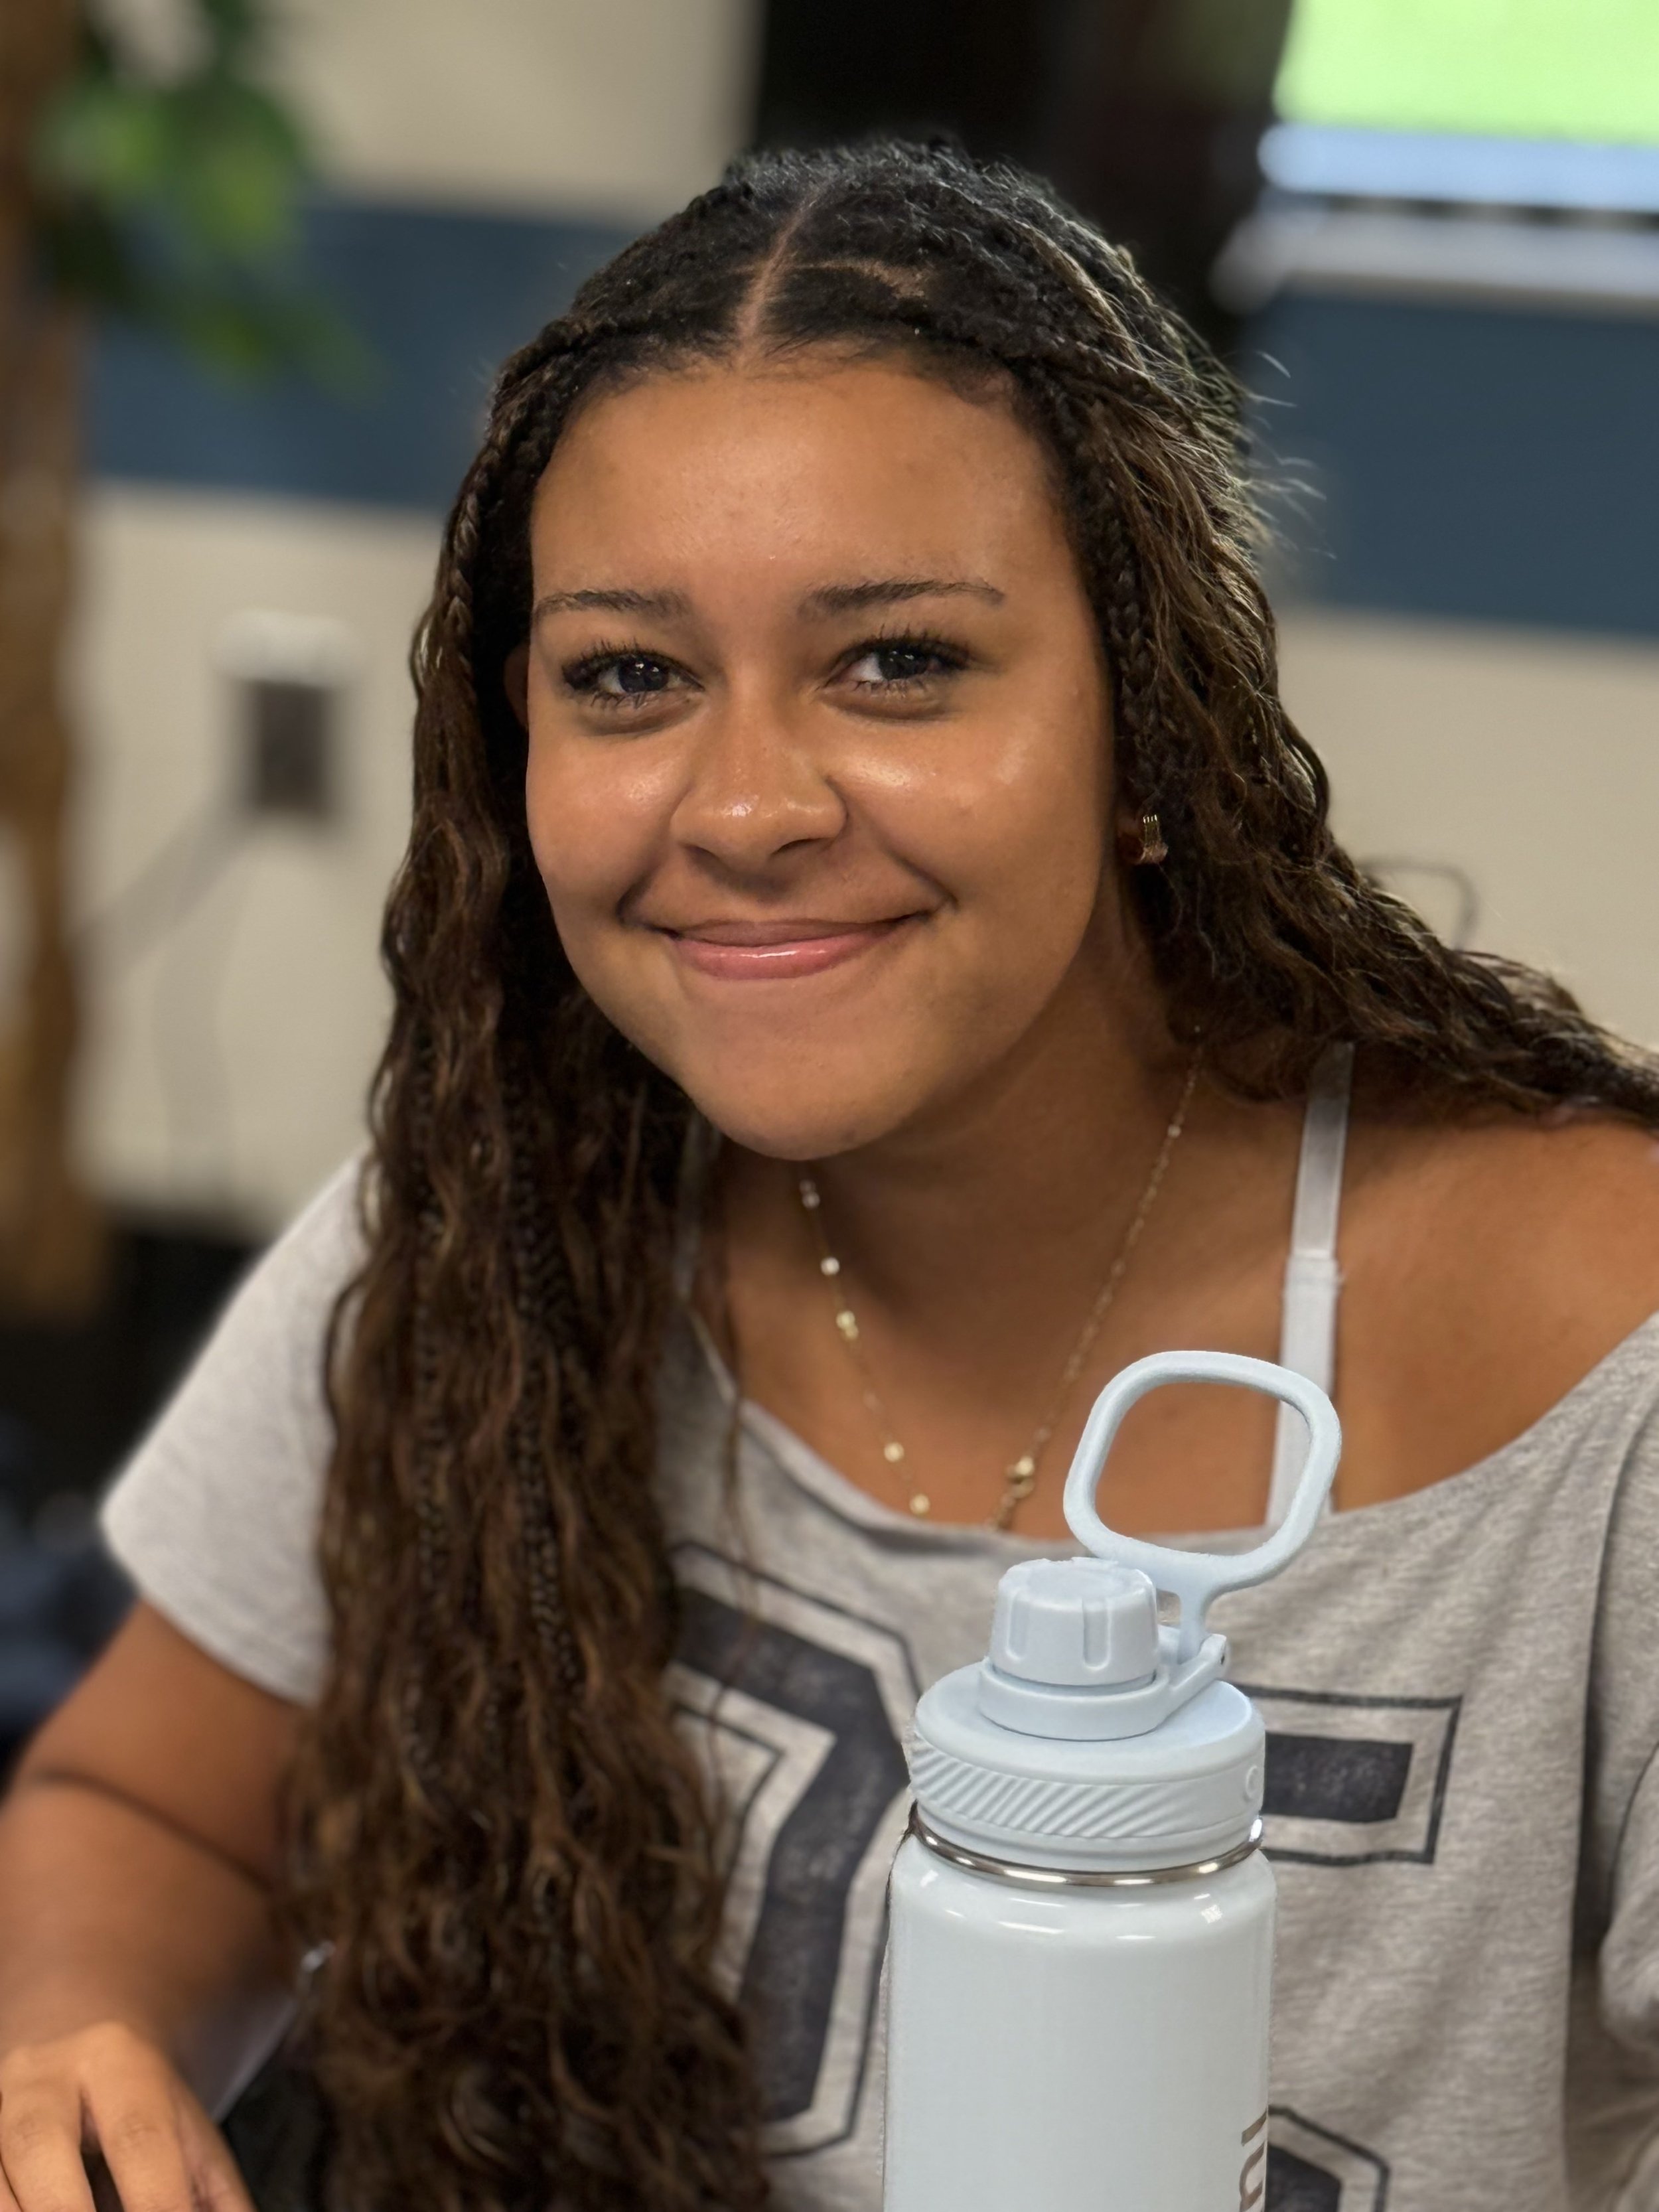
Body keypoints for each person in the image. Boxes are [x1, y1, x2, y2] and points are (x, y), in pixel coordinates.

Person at [0, 139, 1656, 2212]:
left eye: (896, 663)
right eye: (627, 676)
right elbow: (156, 1806)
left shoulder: (1607, 1357)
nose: (748, 804)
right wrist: (75, 2043)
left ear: (1153, 733)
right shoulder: (487, 1229)